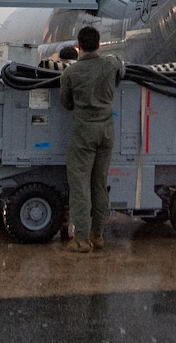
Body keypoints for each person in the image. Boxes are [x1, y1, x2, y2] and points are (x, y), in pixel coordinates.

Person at [59, 25, 123, 253]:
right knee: (99, 182)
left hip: (84, 132)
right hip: (106, 131)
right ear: (98, 44)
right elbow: (118, 61)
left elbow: (66, 103)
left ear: (79, 46)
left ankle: (81, 239)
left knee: (79, 184)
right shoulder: (110, 64)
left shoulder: (70, 73)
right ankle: (98, 235)